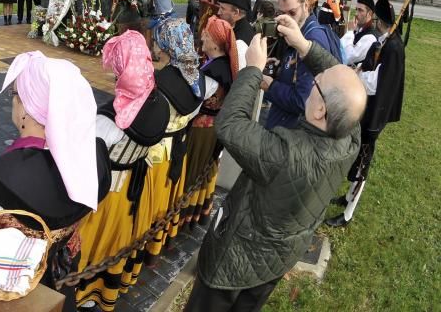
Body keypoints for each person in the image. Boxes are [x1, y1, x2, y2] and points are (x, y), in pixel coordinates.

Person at [184, 23, 366, 311]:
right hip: (277, 260)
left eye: (317, 83)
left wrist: (252, 70)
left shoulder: (285, 153)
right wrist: (304, 45)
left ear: (320, 110)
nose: (314, 77)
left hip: (232, 264)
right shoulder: (350, 136)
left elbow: (231, 125)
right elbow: (342, 81)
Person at [0, 51, 109, 311]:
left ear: (26, 109)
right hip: (63, 277)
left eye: (15, 96)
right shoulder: (95, 157)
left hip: (6, 293)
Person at [77, 29, 168, 310]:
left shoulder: (110, 119)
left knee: (97, 242)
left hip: (108, 191)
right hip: (136, 185)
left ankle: (90, 294)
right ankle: (115, 285)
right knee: (121, 239)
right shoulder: (159, 102)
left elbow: (85, 156)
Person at [326, 0, 406, 228]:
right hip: (367, 108)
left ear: (379, 21)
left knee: (363, 161)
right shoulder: (386, 42)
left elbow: (379, 83)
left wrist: (358, 75)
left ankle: (348, 213)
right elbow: (371, 63)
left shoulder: (393, 47)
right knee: (357, 155)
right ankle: (347, 197)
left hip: (375, 112)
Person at [141, 20, 202, 278]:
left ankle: (143, 252)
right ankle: (160, 245)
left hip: (157, 154)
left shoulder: (159, 81)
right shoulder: (194, 75)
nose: (154, 45)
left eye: (157, 41)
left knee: (151, 205)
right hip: (179, 150)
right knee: (167, 202)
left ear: (166, 45)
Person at [261, 0, 342, 130]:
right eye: (282, 13)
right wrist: (282, 66)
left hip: (293, 131)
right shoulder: (301, 30)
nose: (287, 20)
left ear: (305, 5)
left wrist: (270, 86)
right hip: (285, 123)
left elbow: (303, 101)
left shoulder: (312, 38)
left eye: (292, 13)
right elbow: (297, 72)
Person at [184, 16, 237, 226]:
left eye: (206, 32)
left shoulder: (214, 71)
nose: (202, 35)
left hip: (202, 130)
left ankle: (185, 215)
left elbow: (195, 101)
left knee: (195, 169)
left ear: (215, 42)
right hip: (213, 128)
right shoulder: (223, 65)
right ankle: (199, 211)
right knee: (205, 170)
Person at [216, 0, 255, 70]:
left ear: (236, 12)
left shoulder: (240, 40)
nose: (218, 12)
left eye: (222, 8)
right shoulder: (235, 28)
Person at [340, 0, 378, 66]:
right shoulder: (359, 29)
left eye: (360, 10)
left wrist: (349, 32)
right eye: (356, 9)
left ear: (370, 14)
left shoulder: (370, 37)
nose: (356, 14)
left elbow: (347, 57)